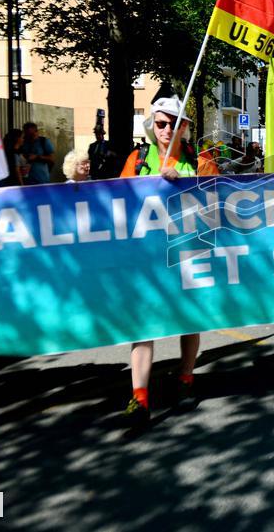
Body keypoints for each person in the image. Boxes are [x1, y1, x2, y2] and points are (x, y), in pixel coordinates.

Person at [118, 97, 208, 430]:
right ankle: (139, 397)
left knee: (189, 321)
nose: (167, 129)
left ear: (185, 127)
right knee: (143, 326)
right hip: (146, 256)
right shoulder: (138, 159)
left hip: (188, 251)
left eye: (174, 123)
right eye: (161, 123)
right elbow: (118, 201)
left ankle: (185, 378)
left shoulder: (200, 160)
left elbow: (217, 199)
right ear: (151, 124)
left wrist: (182, 183)